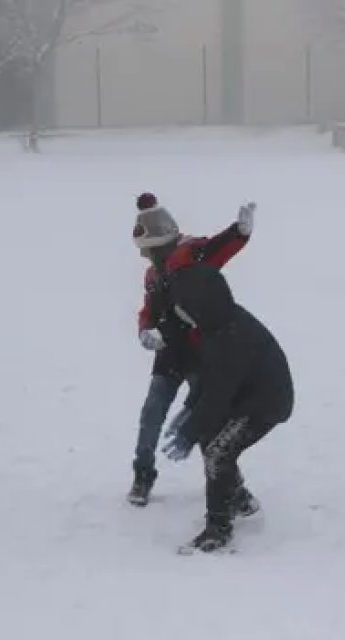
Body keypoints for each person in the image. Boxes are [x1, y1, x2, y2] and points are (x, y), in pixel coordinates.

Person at [128, 193, 254, 507]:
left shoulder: (190, 254)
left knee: (206, 421)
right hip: (170, 354)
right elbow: (149, 309)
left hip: (202, 354)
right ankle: (143, 474)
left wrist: (238, 232)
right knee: (152, 413)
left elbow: (218, 248)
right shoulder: (153, 274)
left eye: (148, 251)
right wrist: (145, 329)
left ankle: (233, 487)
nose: (145, 258)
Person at [160, 262, 294, 553]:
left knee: (218, 452)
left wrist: (189, 431)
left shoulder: (232, 336)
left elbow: (219, 393)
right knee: (211, 439)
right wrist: (189, 410)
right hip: (242, 395)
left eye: (184, 305)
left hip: (265, 403)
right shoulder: (214, 325)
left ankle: (217, 530)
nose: (181, 312)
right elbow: (208, 378)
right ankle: (237, 498)